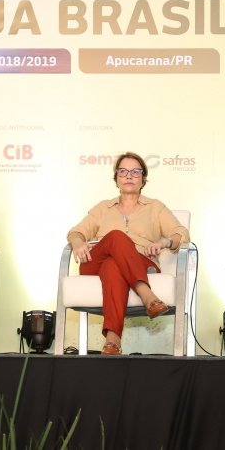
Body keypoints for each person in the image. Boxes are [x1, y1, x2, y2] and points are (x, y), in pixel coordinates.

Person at [66, 151, 190, 356]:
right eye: (123, 171)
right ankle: (147, 295)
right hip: (94, 264)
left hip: (141, 262)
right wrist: (78, 241)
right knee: (115, 237)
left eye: (135, 171)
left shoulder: (156, 207)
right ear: (116, 179)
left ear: (143, 179)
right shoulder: (102, 207)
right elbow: (75, 232)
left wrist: (164, 241)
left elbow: (181, 233)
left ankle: (112, 340)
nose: (129, 175)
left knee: (113, 265)